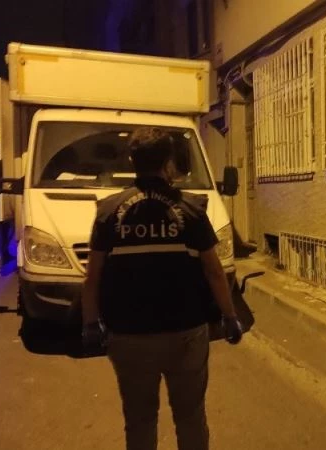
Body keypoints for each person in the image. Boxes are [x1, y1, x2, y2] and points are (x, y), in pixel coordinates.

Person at [80, 131, 243, 450]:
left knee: (140, 419)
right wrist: (229, 316)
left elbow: (93, 276)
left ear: (132, 161)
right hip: (186, 333)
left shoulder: (109, 211)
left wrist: (90, 323)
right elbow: (213, 271)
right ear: (168, 162)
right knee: (191, 416)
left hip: (129, 336)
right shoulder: (192, 209)